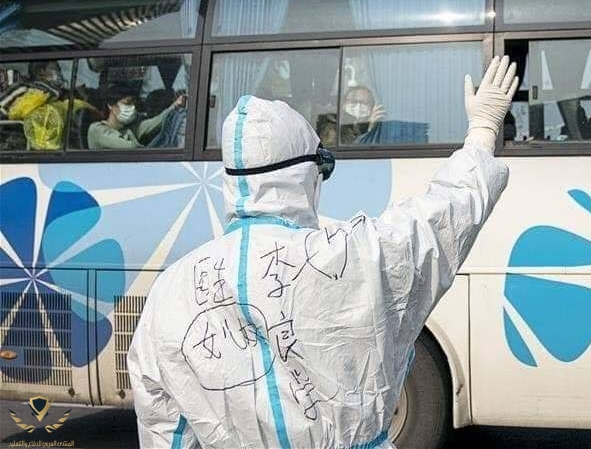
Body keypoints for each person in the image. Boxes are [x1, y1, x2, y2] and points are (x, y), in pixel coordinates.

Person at [128, 56, 518, 449]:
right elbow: (444, 217)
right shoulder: (354, 256)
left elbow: (163, 425)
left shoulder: (171, 290)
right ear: (305, 175)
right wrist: (482, 131)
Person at [87, 85, 187, 149]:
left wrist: (174, 106)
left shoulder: (128, 129)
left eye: (133, 103)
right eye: (127, 103)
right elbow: (131, 147)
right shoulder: (97, 130)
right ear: (111, 105)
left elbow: (154, 123)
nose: (132, 107)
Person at [317, 85, 386, 145]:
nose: (359, 106)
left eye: (365, 102)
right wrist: (370, 130)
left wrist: (371, 127)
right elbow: (352, 152)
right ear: (344, 104)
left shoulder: (374, 124)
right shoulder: (333, 127)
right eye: (354, 101)